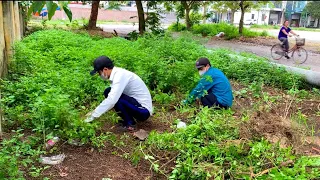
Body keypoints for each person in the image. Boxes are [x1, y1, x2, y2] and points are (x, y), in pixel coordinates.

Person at [85, 56, 153, 131]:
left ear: (105, 69)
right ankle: (128, 119)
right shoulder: (118, 74)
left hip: (143, 111)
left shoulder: (120, 76)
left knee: (116, 99)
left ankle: (130, 124)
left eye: (99, 72)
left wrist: (93, 115)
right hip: (136, 104)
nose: (99, 75)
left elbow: (112, 100)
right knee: (108, 91)